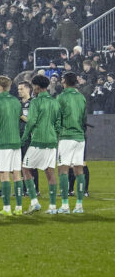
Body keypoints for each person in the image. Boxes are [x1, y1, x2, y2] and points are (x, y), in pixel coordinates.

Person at [21, 74, 60, 214]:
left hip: (38, 140)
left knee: (25, 168)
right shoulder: (55, 102)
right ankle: (53, 207)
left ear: (37, 87)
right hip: (51, 141)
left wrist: (24, 138)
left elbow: (31, 122)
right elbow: (58, 124)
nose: (32, 89)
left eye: (33, 86)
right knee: (50, 172)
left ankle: (34, 202)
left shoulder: (35, 102)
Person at [0, 76, 23, 216]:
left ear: (1, 87)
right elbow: (19, 117)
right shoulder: (16, 101)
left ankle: (7, 208)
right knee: (16, 174)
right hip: (16, 141)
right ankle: (19, 208)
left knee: (3, 174)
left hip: (3, 142)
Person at [55, 72, 87, 214]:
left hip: (66, 136)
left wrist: (57, 132)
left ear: (64, 82)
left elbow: (57, 118)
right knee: (79, 170)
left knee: (63, 170)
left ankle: (65, 205)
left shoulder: (61, 97)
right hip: (80, 137)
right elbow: (83, 118)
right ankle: (79, 205)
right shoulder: (81, 97)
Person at [17, 80, 39, 200]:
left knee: (31, 163)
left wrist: (20, 115)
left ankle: (35, 189)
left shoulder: (33, 103)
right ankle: (25, 188)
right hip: (19, 136)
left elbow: (32, 120)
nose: (19, 91)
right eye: (18, 89)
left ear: (28, 89)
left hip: (30, 136)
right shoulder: (18, 103)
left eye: (21, 89)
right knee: (21, 163)